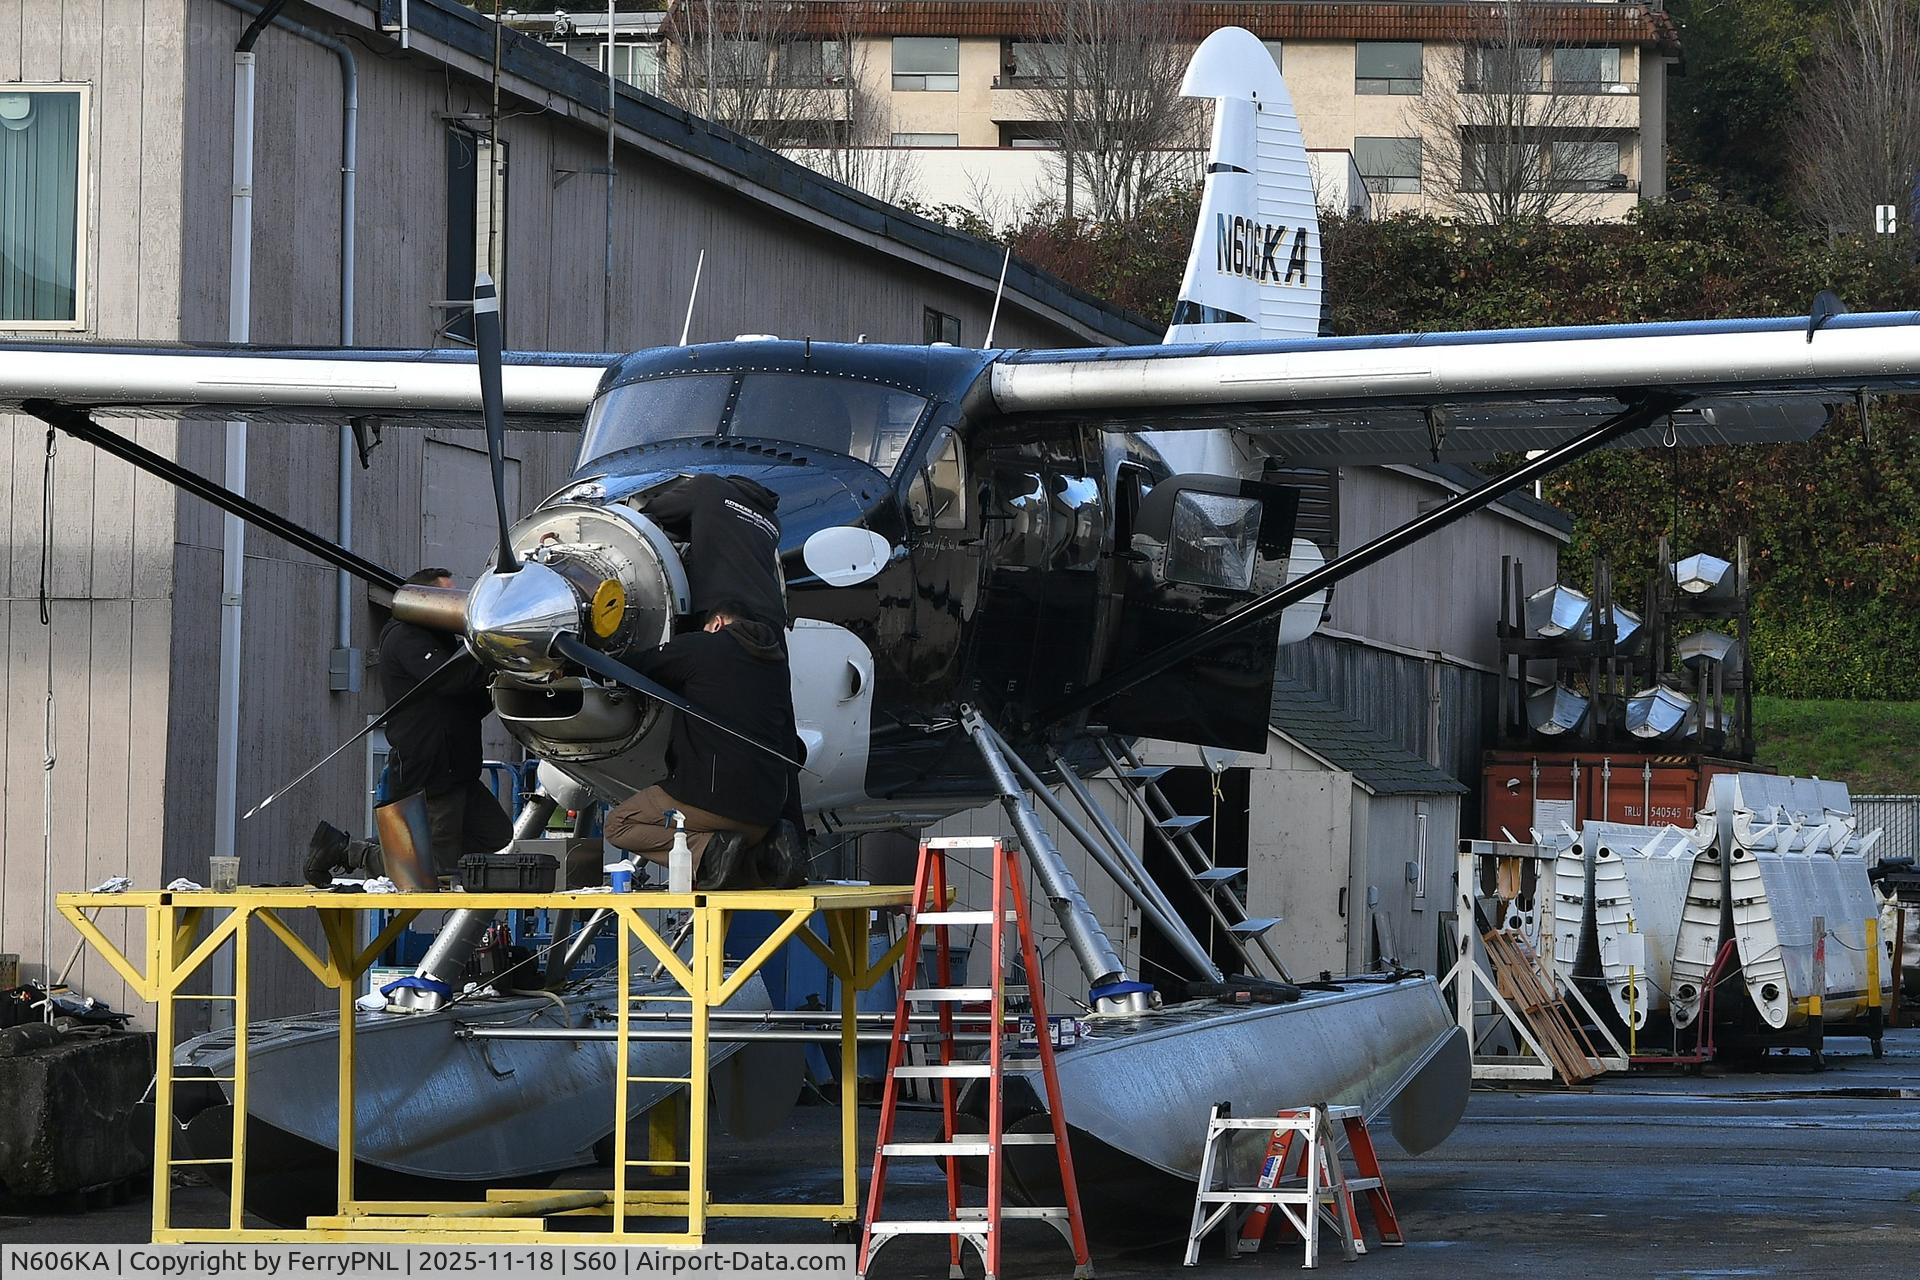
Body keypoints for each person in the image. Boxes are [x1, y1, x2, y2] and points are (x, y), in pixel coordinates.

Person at [304, 567, 515, 886]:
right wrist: (489, 644)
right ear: (423, 599)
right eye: (447, 597)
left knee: (495, 835)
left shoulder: (441, 639)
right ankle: (351, 853)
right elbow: (451, 681)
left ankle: (372, 849)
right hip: (431, 764)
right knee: (434, 866)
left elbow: (465, 699)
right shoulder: (406, 637)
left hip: (457, 764)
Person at [602, 603, 798, 888]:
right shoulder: (776, 665)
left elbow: (637, 667)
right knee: (734, 841)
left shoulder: (705, 647)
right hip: (765, 815)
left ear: (717, 623)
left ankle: (709, 849)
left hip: (712, 804)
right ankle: (768, 851)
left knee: (618, 824)